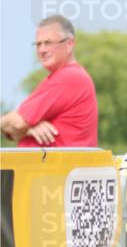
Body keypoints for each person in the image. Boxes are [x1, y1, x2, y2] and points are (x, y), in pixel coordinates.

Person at [1, 15, 98, 148]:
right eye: (38, 44)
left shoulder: (67, 78)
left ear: (69, 44)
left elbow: (16, 124)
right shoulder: (68, 77)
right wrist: (28, 129)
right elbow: (13, 129)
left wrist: (10, 123)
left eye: (48, 43)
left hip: (56, 168)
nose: (42, 50)